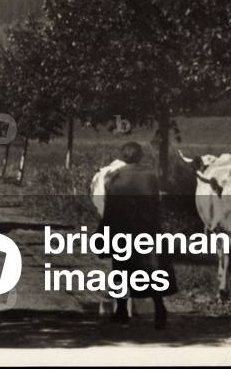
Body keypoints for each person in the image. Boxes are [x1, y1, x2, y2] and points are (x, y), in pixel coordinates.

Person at [102, 141, 177, 329]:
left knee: (120, 267)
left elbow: (110, 208)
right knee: (153, 269)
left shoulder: (114, 178)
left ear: (122, 157)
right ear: (141, 156)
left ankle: (120, 310)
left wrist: (104, 231)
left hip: (123, 229)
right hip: (147, 229)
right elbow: (155, 204)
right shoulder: (150, 177)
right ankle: (159, 308)